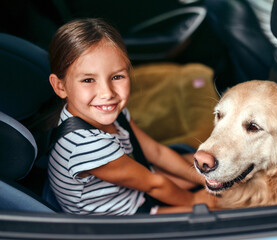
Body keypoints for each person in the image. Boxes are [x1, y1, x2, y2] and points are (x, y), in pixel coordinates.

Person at [47, 18, 216, 215]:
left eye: (117, 77)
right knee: (216, 211)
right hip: (123, 218)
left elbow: (155, 152)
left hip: (132, 188)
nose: (107, 93)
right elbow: (155, 185)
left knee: (209, 166)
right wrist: (196, 202)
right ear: (60, 86)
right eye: (88, 80)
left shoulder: (112, 112)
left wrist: (208, 181)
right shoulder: (85, 145)